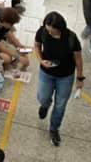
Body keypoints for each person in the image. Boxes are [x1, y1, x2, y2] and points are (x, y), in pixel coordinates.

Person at [35, 11, 84, 146]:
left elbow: (78, 59)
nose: (50, 33)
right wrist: (40, 60)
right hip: (47, 72)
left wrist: (80, 78)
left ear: (60, 28)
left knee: (61, 105)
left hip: (65, 76)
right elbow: (37, 46)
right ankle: (45, 105)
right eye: (48, 29)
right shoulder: (43, 31)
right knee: (42, 96)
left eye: (53, 31)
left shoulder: (71, 38)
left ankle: (54, 129)